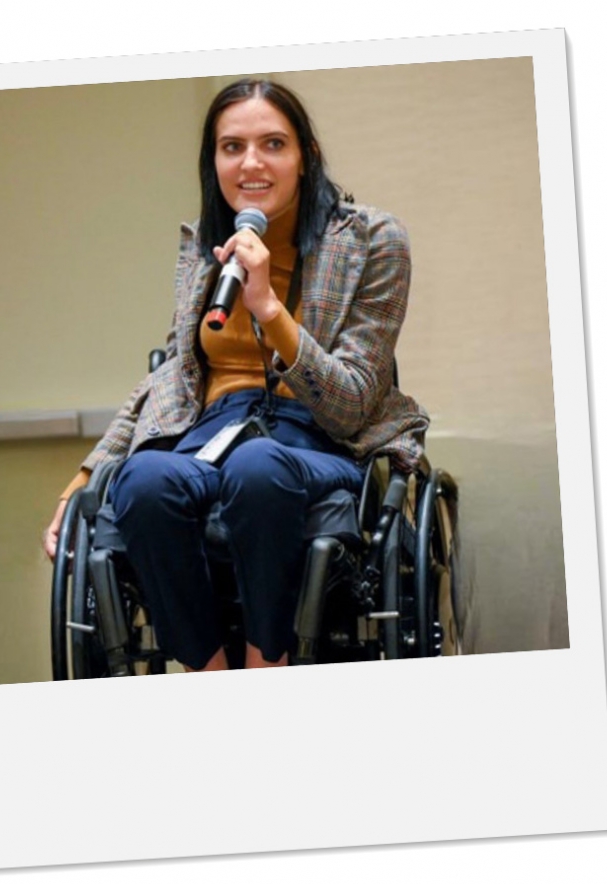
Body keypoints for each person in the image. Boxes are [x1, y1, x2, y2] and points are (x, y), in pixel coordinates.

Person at [43, 78, 429, 672]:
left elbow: (351, 403)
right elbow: (169, 378)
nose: (251, 162)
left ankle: (265, 662)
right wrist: (81, 481)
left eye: (273, 143)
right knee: (144, 480)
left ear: (308, 156)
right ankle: (209, 674)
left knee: (259, 466)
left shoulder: (374, 240)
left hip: (319, 436)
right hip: (210, 433)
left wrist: (269, 310)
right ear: (214, 161)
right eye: (231, 147)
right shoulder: (205, 244)